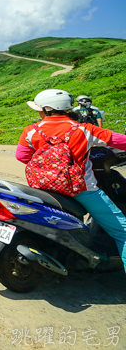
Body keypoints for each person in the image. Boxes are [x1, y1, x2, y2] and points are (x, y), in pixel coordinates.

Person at [17, 89, 126, 274]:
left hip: (43, 187)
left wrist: (50, 169)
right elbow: (120, 141)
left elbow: (22, 156)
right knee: (122, 231)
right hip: (81, 189)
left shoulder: (31, 130)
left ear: (47, 109)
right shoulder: (85, 129)